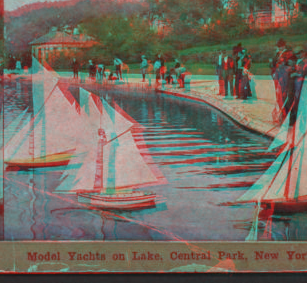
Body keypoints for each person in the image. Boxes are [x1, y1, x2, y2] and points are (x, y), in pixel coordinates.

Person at [290, 46, 307, 125]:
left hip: (302, 84)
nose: (298, 55)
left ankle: (298, 119)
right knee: (296, 100)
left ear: (303, 53)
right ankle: (295, 119)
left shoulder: (305, 61)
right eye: (297, 53)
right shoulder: (298, 61)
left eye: (300, 53)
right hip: (297, 84)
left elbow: (303, 73)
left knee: (300, 101)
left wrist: (296, 74)